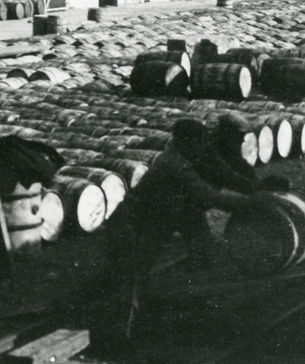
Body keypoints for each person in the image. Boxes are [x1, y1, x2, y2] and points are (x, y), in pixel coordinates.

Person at [62, 118, 268, 342]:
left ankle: (70, 307)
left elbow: (227, 173)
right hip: (133, 224)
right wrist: (252, 202)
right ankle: (117, 337)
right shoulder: (174, 164)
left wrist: (259, 188)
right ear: (186, 142)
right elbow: (207, 195)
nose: (203, 146)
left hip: (160, 221)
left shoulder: (191, 153)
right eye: (198, 142)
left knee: (132, 273)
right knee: (129, 279)